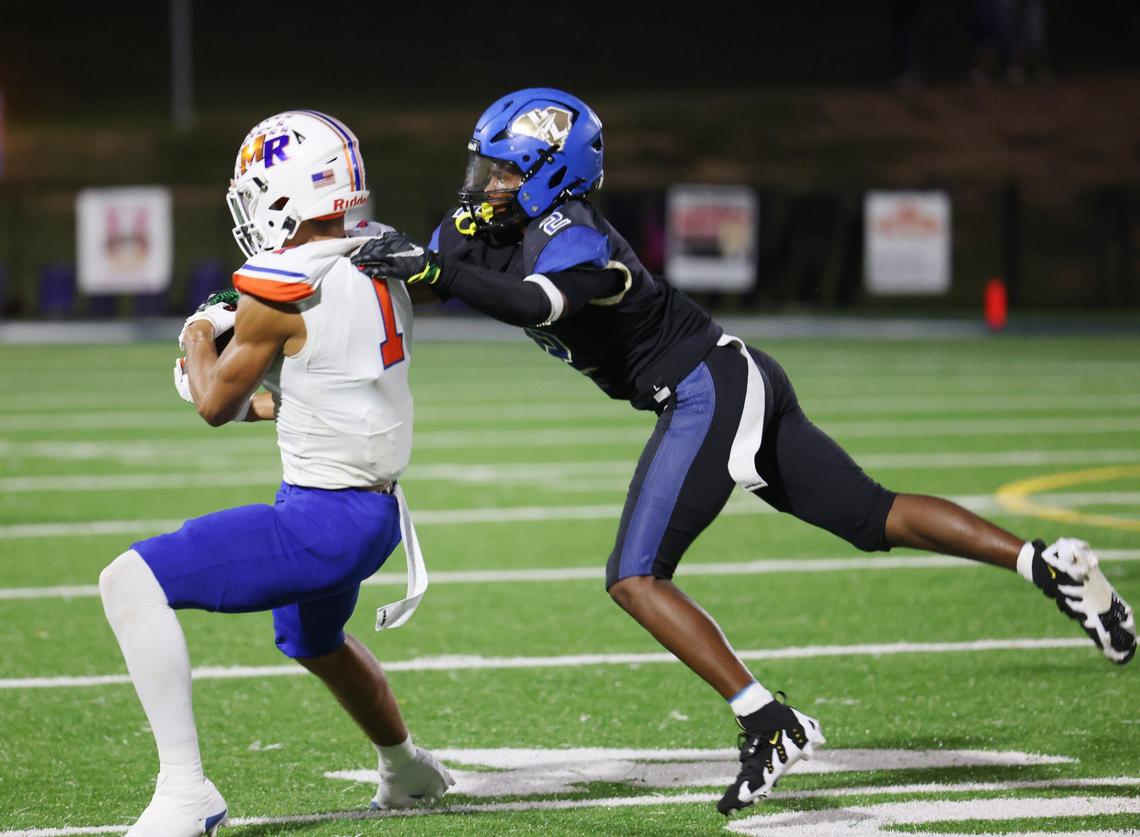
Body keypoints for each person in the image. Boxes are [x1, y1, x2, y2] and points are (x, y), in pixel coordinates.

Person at [349, 88, 1137, 816]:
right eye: (485, 168)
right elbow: (426, 283)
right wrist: (340, 273)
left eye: (504, 172)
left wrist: (432, 265)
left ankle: (769, 720)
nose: (485, 185)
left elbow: (534, 300)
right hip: (730, 374)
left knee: (634, 577)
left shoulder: (577, 236)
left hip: (706, 388)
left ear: (552, 176)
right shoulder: (481, 227)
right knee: (872, 516)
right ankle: (1050, 564)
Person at [98, 110, 453, 837]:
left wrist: (199, 331)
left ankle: (186, 791)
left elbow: (213, 404)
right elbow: (316, 389)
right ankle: (408, 767)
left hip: (323, 520)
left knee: (128, 581)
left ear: (287, 194)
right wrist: (241, 383)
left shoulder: (282, 285)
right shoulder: (382, 255)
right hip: (373, 510)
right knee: (315, 640)